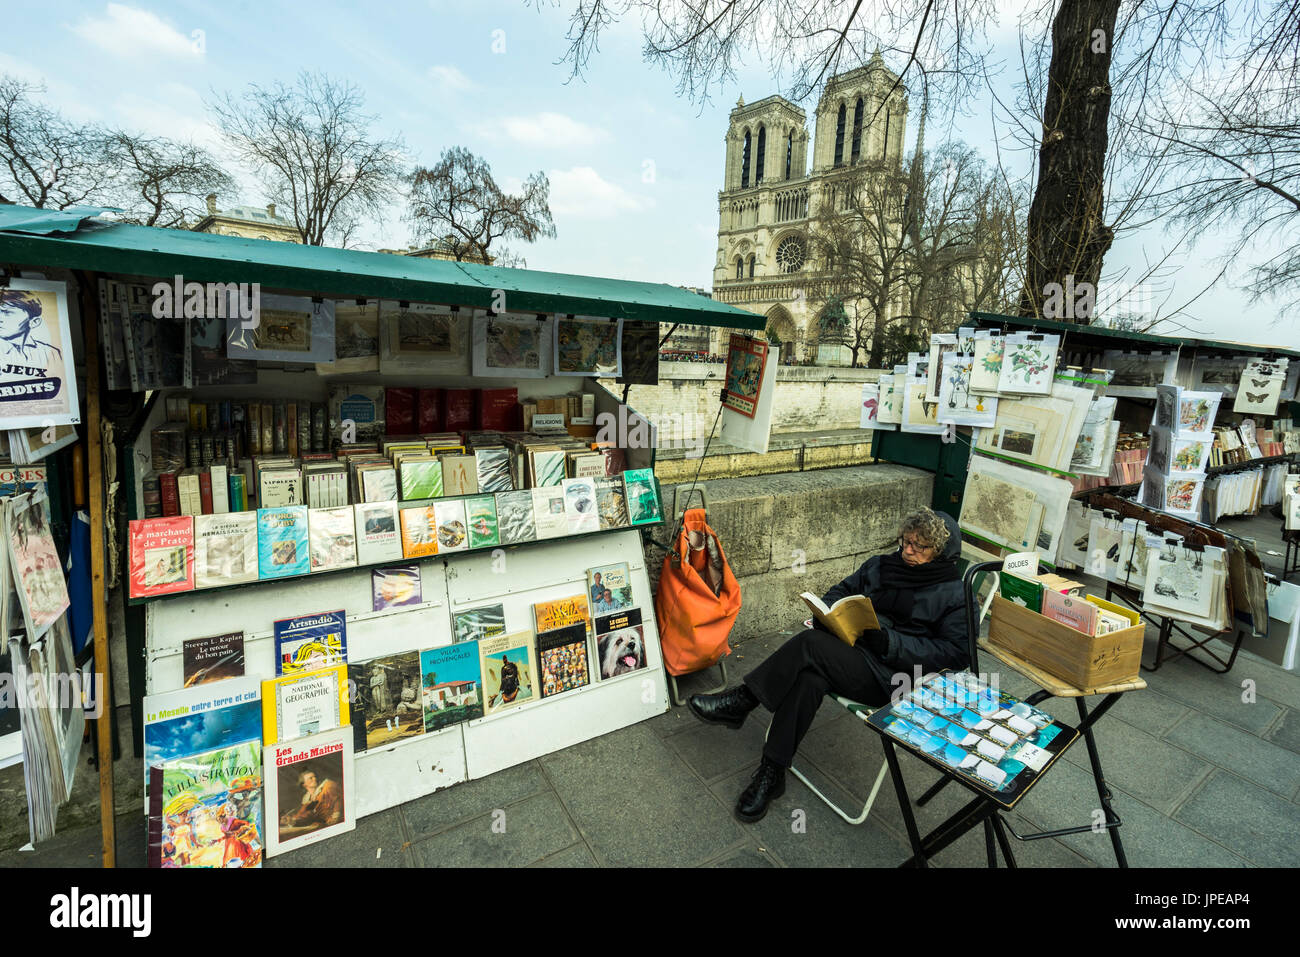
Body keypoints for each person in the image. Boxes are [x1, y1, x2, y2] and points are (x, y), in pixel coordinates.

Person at [688, 507, 969, 824]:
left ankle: (744, 700)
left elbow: (955, 654)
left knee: (809, 646)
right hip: (850, 656)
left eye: (920, 546)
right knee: (809, 676)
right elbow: (843, 590)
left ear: (942, 552)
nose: (907, 551)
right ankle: (772, 771)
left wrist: (892, 644)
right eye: (905, 541)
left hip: (895, 678)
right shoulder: (881, 566)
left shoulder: (954, 593)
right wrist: (829, 613)